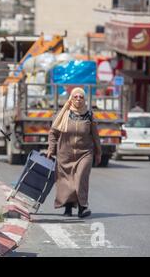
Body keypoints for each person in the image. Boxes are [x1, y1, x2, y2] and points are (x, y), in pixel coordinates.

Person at [47, 87, 101, 218]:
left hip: (84, 153)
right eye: (75, 97)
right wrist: (51, 149)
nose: (78, 99)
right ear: (71, 98)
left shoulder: (89, 115)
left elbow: (95, 136)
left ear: (84, 99)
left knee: (81, 178)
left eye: (81, 97)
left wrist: (98, 152)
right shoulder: (64, 114)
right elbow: (53, 133)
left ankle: (82, 207)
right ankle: (68, 208)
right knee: (67, 182)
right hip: (65, 154)